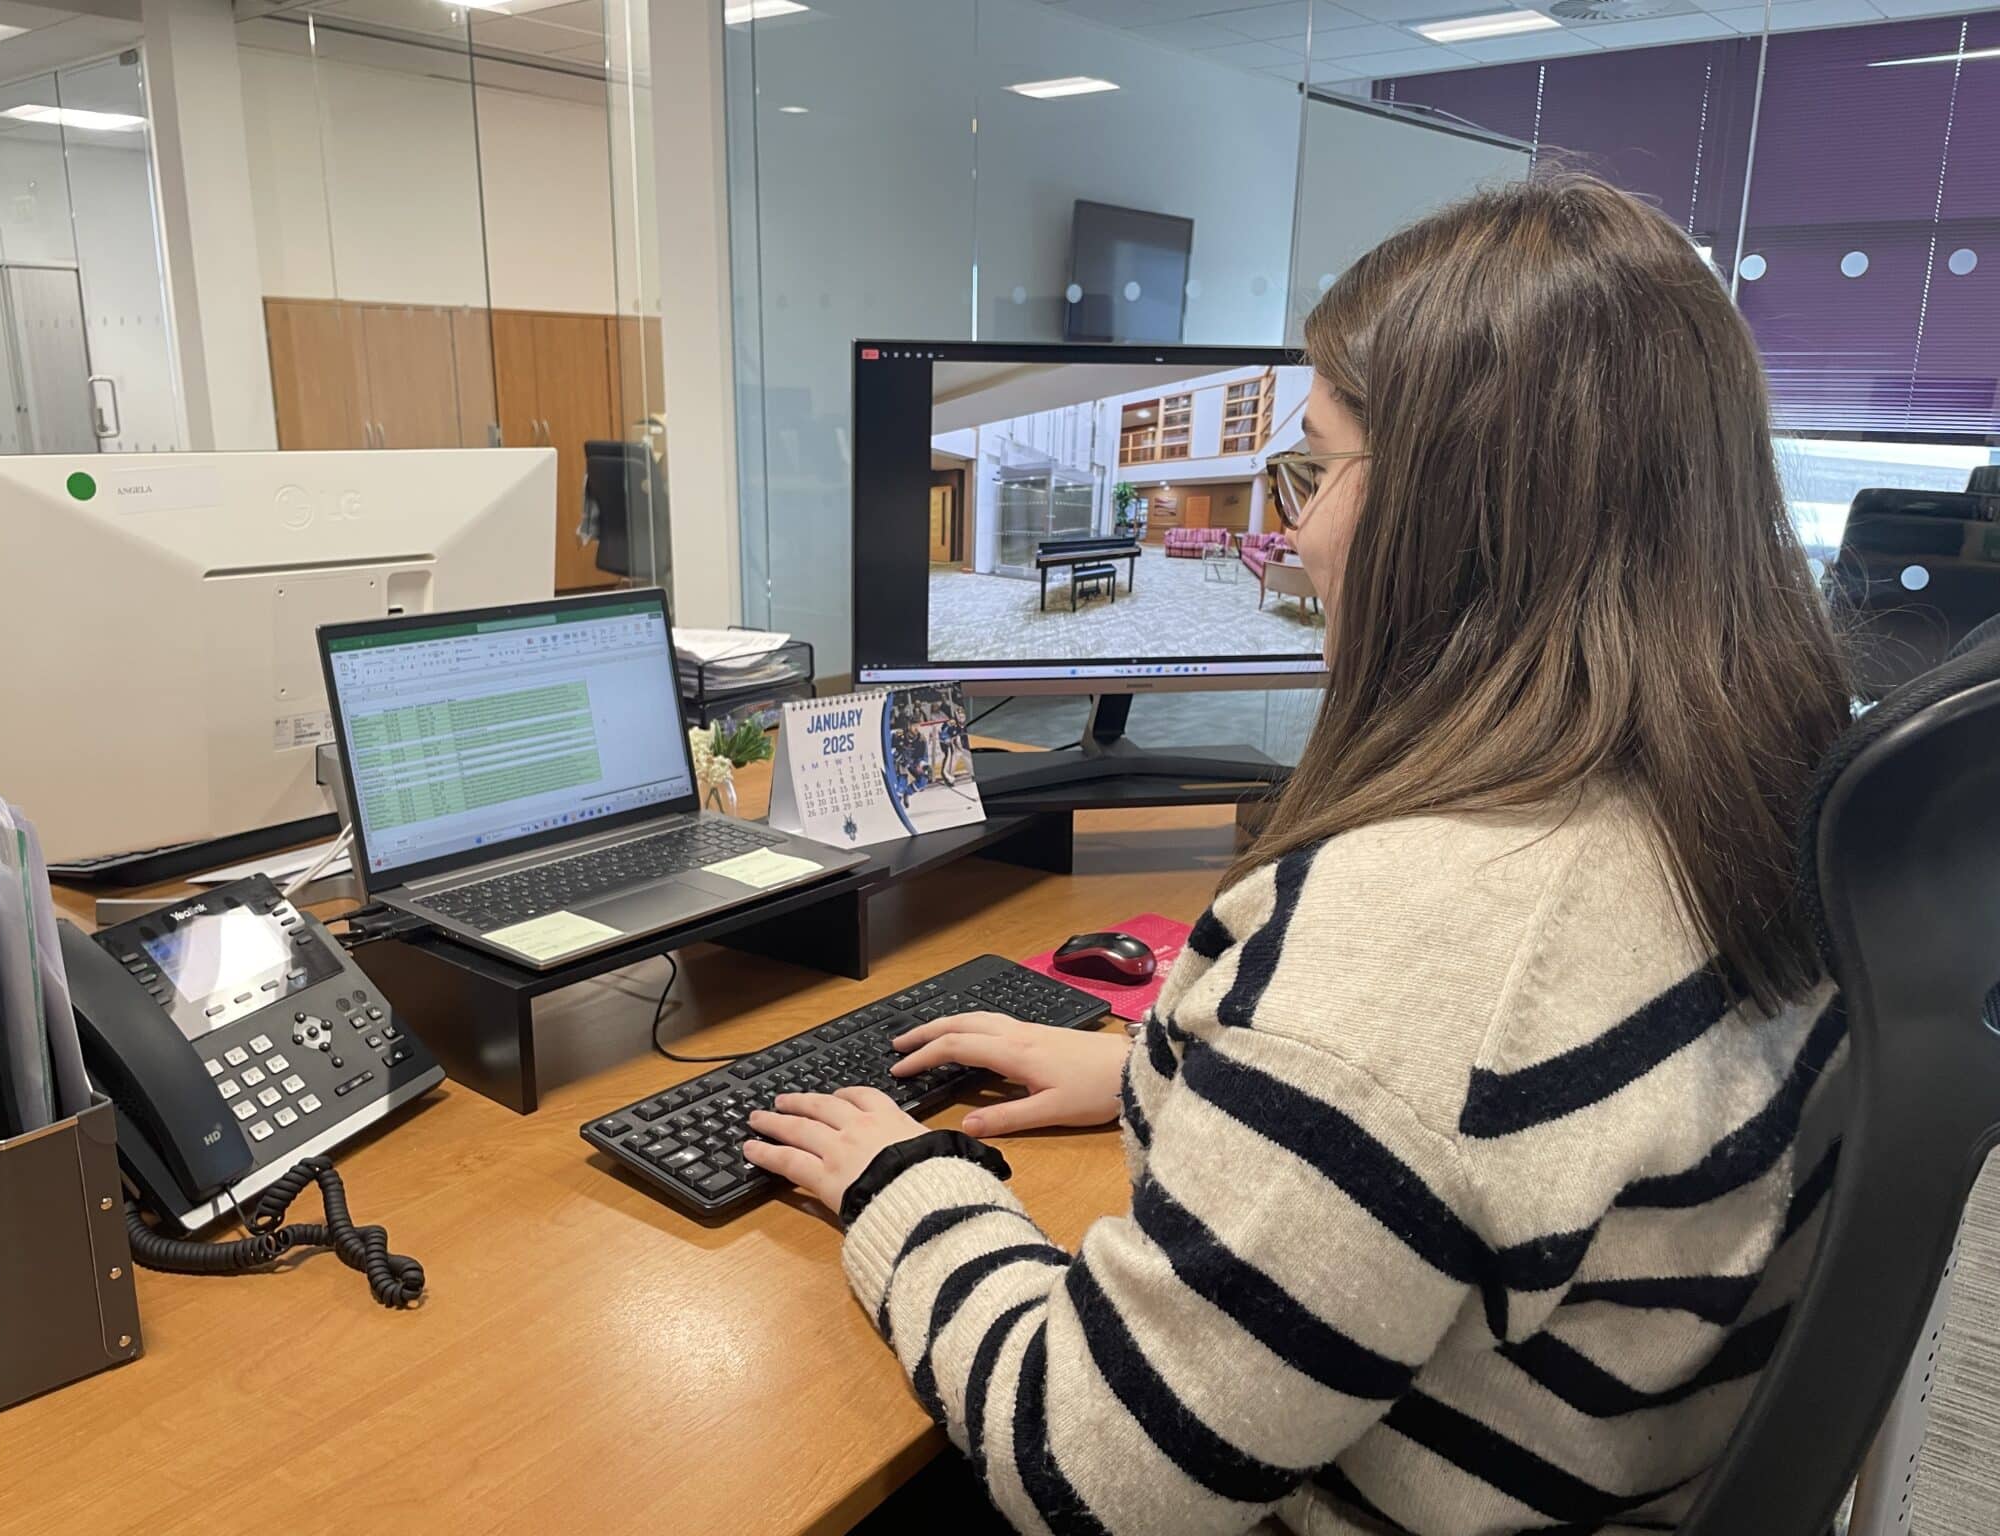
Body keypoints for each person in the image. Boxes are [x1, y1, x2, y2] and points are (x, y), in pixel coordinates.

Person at [743, 176, 1851, 1535]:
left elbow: (1093, 1470)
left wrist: (899, 1185)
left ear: (1459, 507)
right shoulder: (1737, 799)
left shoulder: (1433, 924)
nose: (1301, 530)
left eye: (1319, 468)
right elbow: (1459, 1134)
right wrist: (1165, 1067)